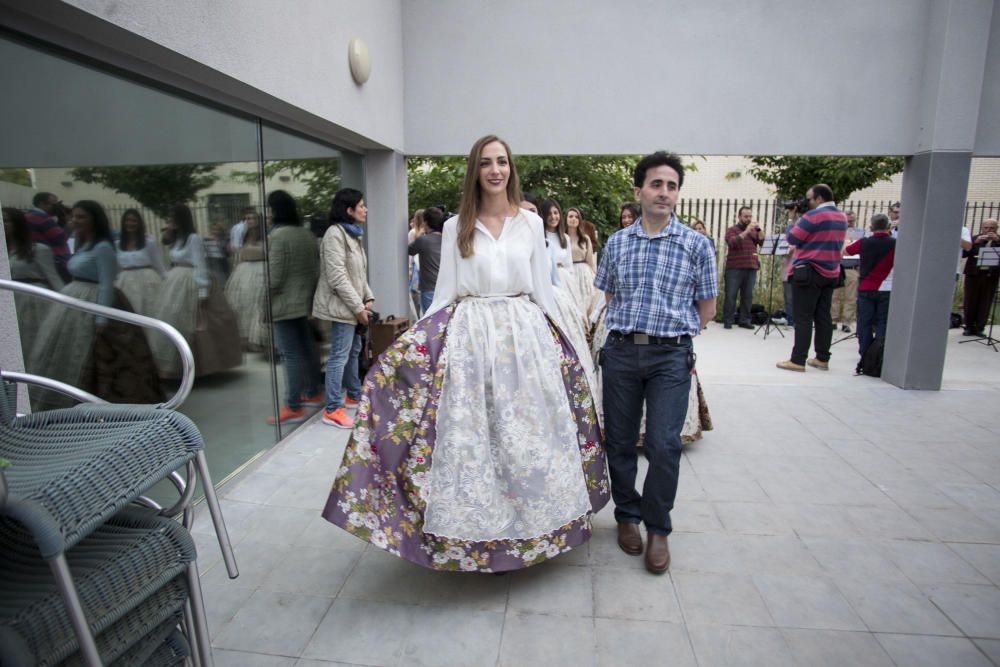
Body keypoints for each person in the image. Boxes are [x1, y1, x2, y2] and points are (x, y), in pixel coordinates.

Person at [322, 135, 609, 572]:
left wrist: (565, 348)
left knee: (524, 435)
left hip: (523, 337)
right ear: (474, 170)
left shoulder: (530, 225)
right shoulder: (458, 224)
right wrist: (408, 345)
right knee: (474, 438)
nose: (496, 170)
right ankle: (474, 537)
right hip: (471, 338)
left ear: (511, 168)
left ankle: (533, 529)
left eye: (503, 162)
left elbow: (541, 291)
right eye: (486, 163)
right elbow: (443, 297)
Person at [595, 151, 717, 574]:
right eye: (656, 184)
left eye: (672, 186)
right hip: (623, 351)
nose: (664, 193)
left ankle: (658, 527)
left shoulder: (696, 244)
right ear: (639, 190)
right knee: (621, 440)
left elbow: (708, 307)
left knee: (665, 445)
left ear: (677, 193)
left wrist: (672, 334)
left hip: (671, 354)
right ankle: (627, 516)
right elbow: (608, 296)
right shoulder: (617, 243)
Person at [28, 201, 163, 411]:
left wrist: (101, 318)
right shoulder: (82, 244)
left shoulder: (103, 247)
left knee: (99, 356)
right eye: (74, 217)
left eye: (82, 217)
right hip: (76, 300)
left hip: (95, 301)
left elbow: (107, 284)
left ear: (94, 219)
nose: (75, 221)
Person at [149, 203, 241, 378]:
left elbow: (200, 265)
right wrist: (169, 233)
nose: (170, 222)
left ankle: (198, 365)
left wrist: (203, 292)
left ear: (181, 219)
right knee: (173, 319)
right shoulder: (176, 240)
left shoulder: (193, 238)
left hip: (190, 282)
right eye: (169, 219)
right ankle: (174, 365)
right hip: (174, 281)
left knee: (192, 323)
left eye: (173, 219)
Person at [313, 188, 374, 429]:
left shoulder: (352, 234)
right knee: (339, 355)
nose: (365, 209)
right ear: (349, 210)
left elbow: (358, 273)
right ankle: (332, 409)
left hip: (354, 306)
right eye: (361, 205)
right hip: (342, 308)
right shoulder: (334, 235)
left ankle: (354, 396)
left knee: (353, 351)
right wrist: (359, 308)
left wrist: (369, 298)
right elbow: (337, 277)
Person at [265, 190, 323, 425]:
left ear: (274, 210)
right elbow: (315, 269)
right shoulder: (306, 234)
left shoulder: (278, 236)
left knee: (290, 353)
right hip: (305, 301)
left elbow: (275, 276)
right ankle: (313, 391)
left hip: (285, 303)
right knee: (307, 349)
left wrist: (266, 296)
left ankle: (293, 404)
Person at [777, 184, 848, 372]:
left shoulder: (813, 216)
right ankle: (822, 358)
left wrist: (792, 220)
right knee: (823, 316)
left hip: (809, 272)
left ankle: (798, 360)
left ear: (819, 199)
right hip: (831, 272)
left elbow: (792, 238)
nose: (806, 203)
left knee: (803, 317)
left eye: (809, 199)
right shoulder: (841, 217)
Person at [4, 206, 65, 345]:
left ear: (17, 223)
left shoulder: (38, 250)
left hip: (32, 302)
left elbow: (54, 278)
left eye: (6, 220)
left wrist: (66, 306)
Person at [844, 213, 895, 373]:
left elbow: (846, 251)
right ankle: (879, 356)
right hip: (886, 287)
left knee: (864, 323)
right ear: (888, 227)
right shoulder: (896, 243)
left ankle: (865, 356)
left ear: (871, 227)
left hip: (866, 287)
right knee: (882, 323)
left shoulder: (865, 242)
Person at [225, 208, 269, 351]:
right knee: (243, 304)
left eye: (253, 218)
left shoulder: (266, 236)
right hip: (243, 272)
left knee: (257, 305)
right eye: (247, 218)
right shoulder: (243, 235)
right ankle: (244, 339)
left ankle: (256, 339)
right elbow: (238, 254)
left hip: (260, 271)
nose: (250, 221)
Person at [114, 208, 166, 319]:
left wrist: (166, 284)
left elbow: (159, 266)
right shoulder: (117, 245)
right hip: (125, 284)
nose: (130, 223)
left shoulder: (149, 243)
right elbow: (117, 269)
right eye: (127, 220)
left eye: (134, 221)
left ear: (139, 223)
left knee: (150, 312)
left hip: (148, 283)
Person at [722, 206, 764, 329]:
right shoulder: (732, 230)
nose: (748, 219)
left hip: (751, 266)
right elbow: (732, 243)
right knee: (731, 295)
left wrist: (759, 229)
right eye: (746, 216)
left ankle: (744, 320)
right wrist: (746, 231)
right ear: (739, 216)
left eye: (750, 216)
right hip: (734, 268)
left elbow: (762, 242)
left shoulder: (754, 231)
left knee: (748, 296)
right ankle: (728, 320)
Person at [962, 218, 1000, 336]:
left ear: (996, 229)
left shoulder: (998, 240)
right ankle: (968, 326)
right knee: (970, 300)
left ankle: (980, 327)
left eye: (992, 228)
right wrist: (976, 243)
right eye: (986, 228)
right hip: (973, 274)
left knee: (986, 301)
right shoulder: (974, 239)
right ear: (982, 228)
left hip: (991, 275)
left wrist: (998, 241)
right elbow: (963, 254)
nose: (989, 230)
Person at [24, 191, 72, 283]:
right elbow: (61, 238)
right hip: (56, 260)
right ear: (42, 204)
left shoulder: (28, 216)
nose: (57, 207)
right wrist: (69, 226)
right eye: (54, 204)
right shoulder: (41, 218)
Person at [831, 210, 860, 333]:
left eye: (852, 220)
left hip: (852, 268)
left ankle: (847, 322)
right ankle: (832, 319)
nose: (850, 223)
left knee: (851, 296)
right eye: (848, 220)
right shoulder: (837, 232)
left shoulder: (860, 233)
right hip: (837, 266)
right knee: (834, 295)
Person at [565, 206, 598, 313]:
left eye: (576, 217)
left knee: (587, 300)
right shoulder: (562, 238)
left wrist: (596, 277)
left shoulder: (585, 238)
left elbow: (590, 261)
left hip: (583, 272)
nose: (573, 219)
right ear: (566, 219)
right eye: (570, 216)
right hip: (568, 273)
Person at [780, 200, 806, 327]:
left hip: (798, 269)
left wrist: (792, 220)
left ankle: (797, 320)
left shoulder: (803, 230)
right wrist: (791, 220)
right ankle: (791, 319)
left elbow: (792, 240)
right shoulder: (791, 232)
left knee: (799, 298)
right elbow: (787, 246)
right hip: (788, 269)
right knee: (789, 298)